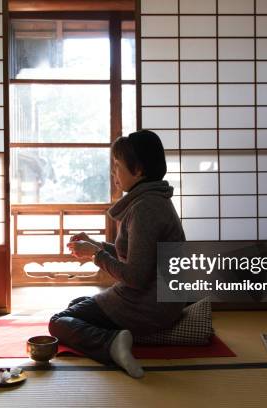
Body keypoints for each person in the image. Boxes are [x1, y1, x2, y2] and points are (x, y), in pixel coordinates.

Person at [48, 130, 186, 378]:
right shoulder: (153, 199)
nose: (114, 174)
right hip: (162, 302)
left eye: (117, 166)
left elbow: (135, 277)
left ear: (139, 169)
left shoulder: (145, 208)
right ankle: (117, 338)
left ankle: (112, 344)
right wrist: (96, 244)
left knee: (58, 322)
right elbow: (137, 255)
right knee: (76, 306)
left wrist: (96, 255)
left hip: (148, 305)